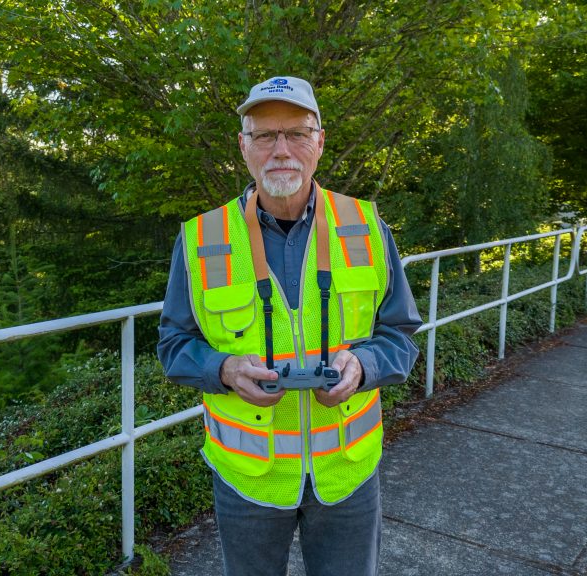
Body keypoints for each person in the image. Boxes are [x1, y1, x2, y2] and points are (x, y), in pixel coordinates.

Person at [157, 76, 421, 576]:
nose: (281, 149)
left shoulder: (366, 225)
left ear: (319, 142)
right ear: (244, 147)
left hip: (347, 475)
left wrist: (363, 366)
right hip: (248, 480)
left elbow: (401, 335)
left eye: (297, 132)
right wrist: (225, 369)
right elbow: (174, 345)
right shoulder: (199, 238)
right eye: (264, 135)